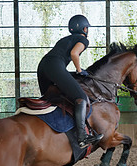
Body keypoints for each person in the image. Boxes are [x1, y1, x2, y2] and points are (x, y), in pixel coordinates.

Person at [37, 14, 103, 149]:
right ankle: (82, 137)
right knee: (80, 98)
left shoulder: (65, 39)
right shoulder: (83, 39)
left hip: (43, 67)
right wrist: (79, 70)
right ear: (85, 29)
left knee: (51, 98)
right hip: (55, 65)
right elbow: (74, 53)